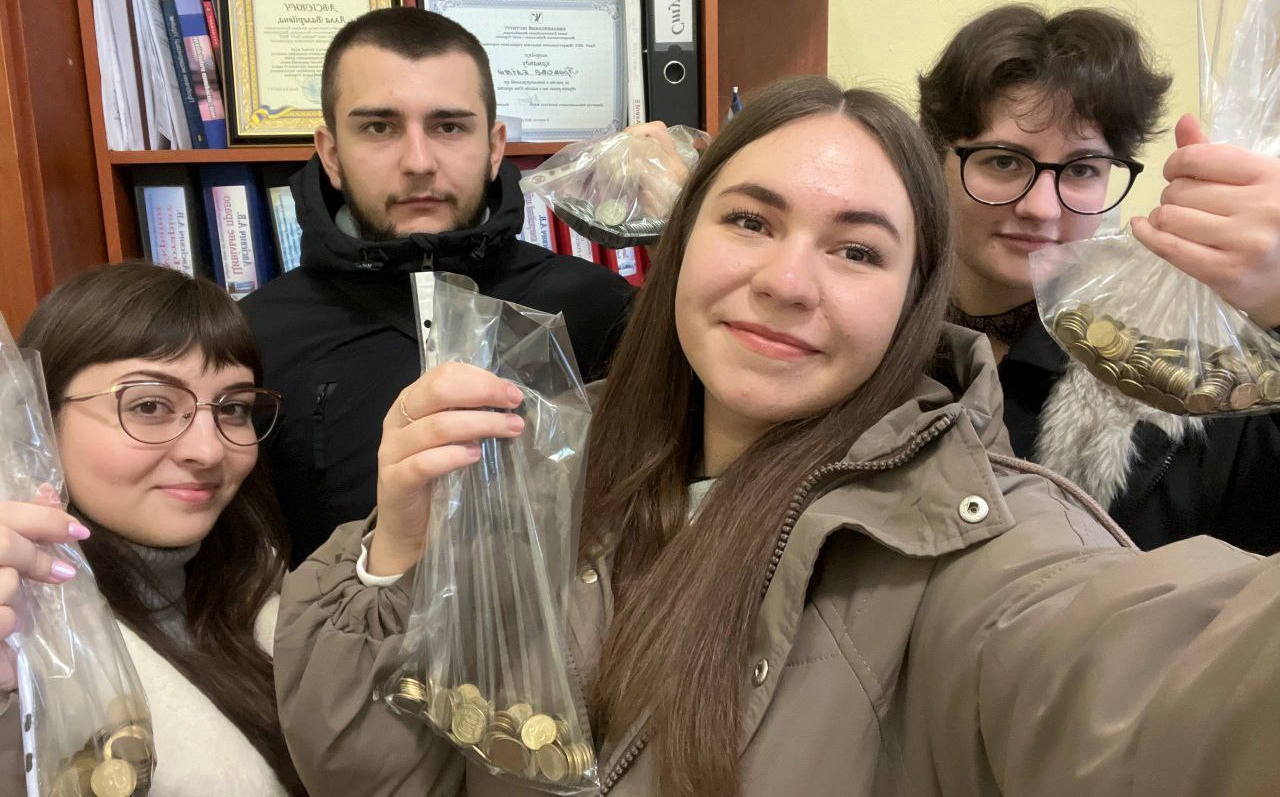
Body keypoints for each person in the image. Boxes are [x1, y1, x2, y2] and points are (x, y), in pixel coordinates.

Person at [274, 77, 1280, 797]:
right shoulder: (550, 468)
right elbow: (381, 773)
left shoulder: (982, 551)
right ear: (681, 246)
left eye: (857, 250)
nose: (787, 282)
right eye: (751, 222)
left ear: (913, 300)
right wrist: (397, 552)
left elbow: (1184, 698)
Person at [241, 7, 634, 562]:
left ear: (494, 147)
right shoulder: (256, 337)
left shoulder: (598, 308)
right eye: (379, 128)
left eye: (448, 126)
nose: (418, 162)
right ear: (330, 154)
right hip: (341, 617)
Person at [918, 3, 1280, 553]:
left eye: (1082, 169)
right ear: (933, 156)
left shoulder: (1182, 375)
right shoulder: (865, 342)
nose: (1041, 208)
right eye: (1003, 161)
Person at [0, 262, 304, 796]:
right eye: (149, 405)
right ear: (41, 416)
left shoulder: (265, 595)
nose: (209, 450)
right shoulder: (25, 630)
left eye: (233, 408)